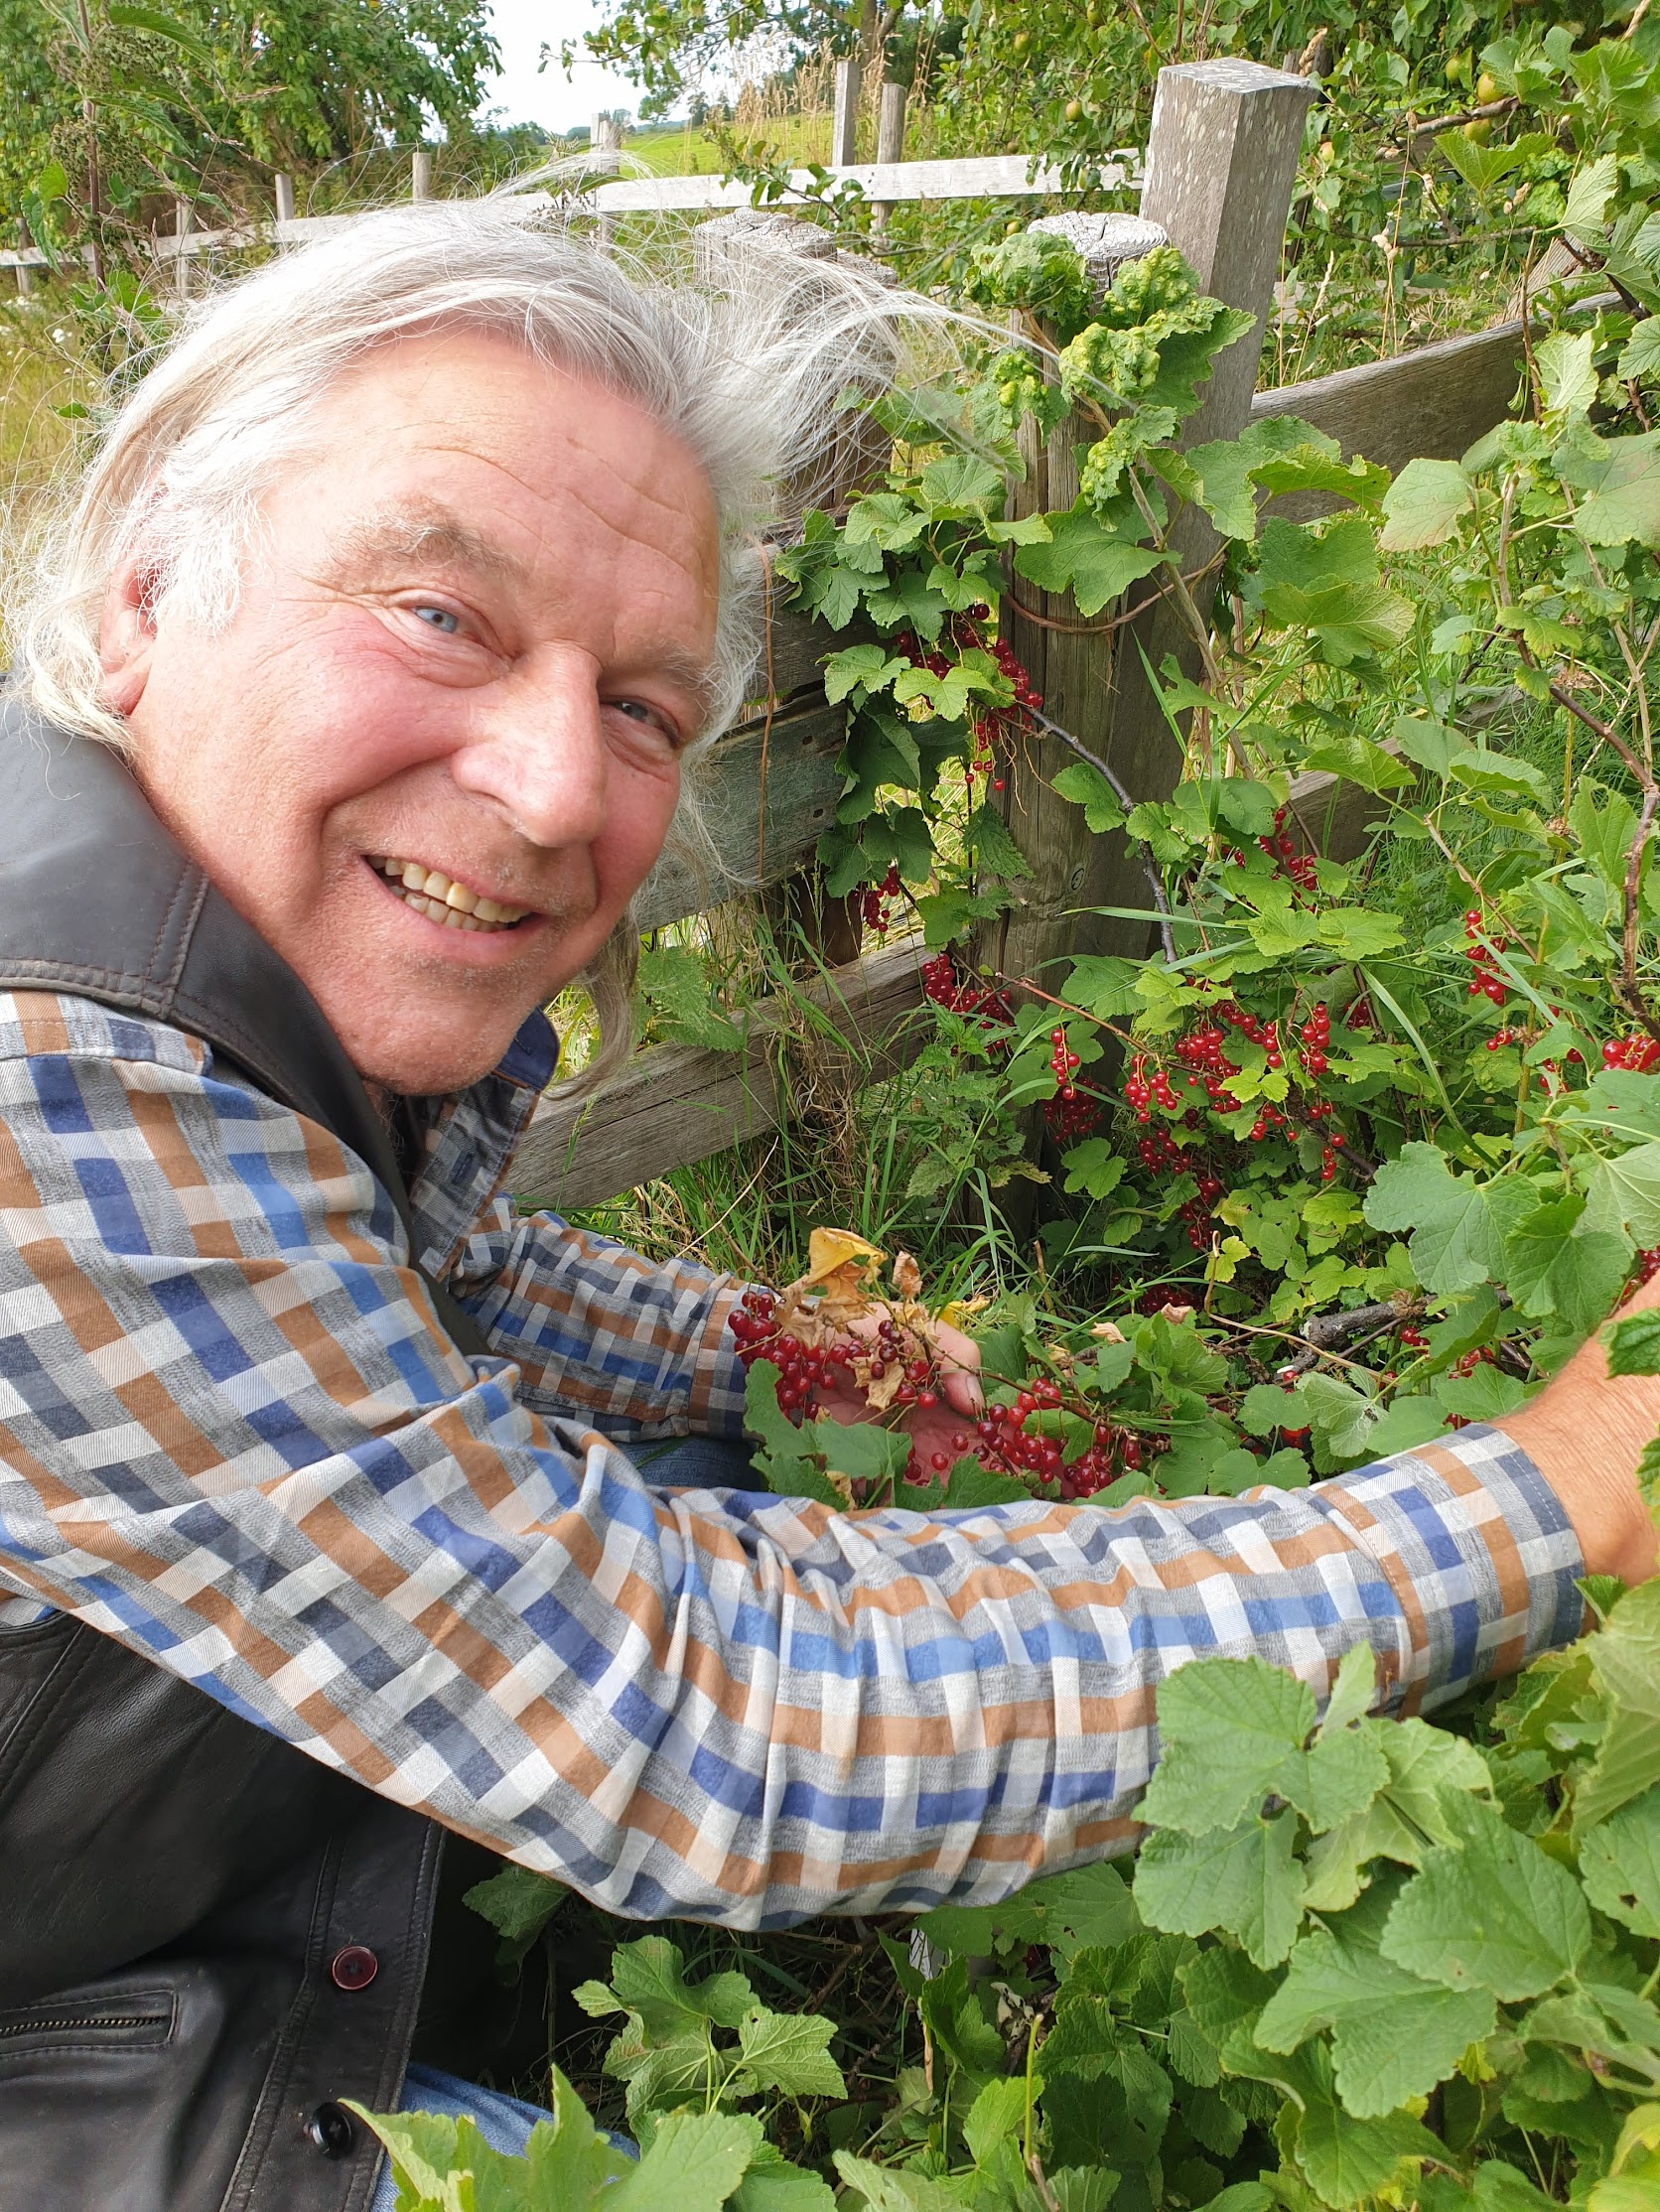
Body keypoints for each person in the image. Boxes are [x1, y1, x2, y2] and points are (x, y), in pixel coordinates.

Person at [0, 202, 1651, 2212]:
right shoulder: (47, 1096)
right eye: (440, 611)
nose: (545, 789)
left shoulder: (162, 934)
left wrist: (762, 1340)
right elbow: (702, 1705)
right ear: (148, 582)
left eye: (638, 704)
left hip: (83, 1890)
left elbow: (428, 1276)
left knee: (706, 1446)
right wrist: (1546, 1495)